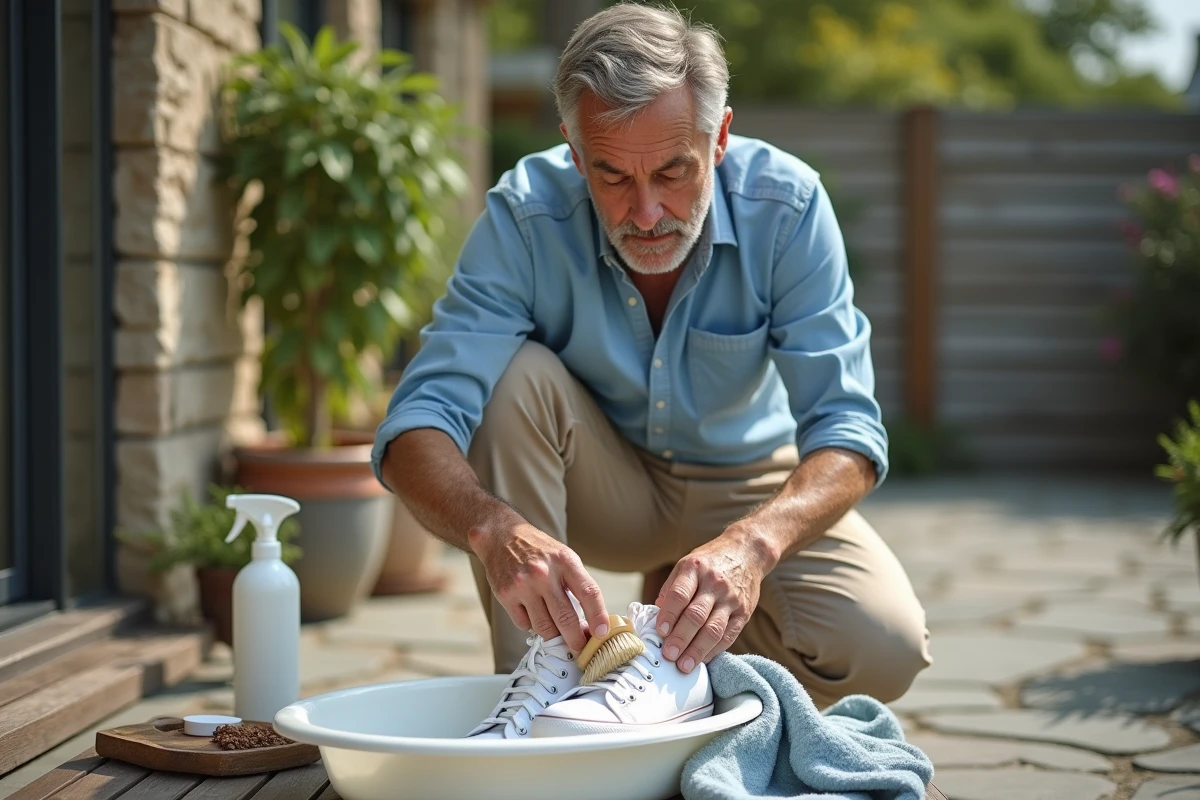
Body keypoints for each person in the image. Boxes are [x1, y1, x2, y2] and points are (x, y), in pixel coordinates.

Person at [372, 2, 931, 709]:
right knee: (514, 378)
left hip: (747, 484)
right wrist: (495, 532)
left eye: (673, 173)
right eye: (612, 177)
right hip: (598, 490)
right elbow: (414, 425)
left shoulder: (787, 207)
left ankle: (671, 682)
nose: (646, 213)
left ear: (719, 137)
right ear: (574, 155)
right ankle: (543, 711)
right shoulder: (524, 215)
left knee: (885, 649)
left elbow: (848, 430)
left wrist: (751, 548)